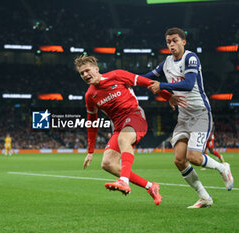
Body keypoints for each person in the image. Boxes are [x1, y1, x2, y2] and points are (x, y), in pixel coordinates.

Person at [74, 54, 186, 205]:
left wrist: (168, 96)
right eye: (81, 73)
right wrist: (90, 151)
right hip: (119, 126)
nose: (85, 75)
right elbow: (91, 122)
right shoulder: (90, 95)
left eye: (87, 70)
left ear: (96, 68)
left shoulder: (117, 75)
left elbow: (147, 82)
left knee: (123, 138)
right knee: (107, 164)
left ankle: (123, 181)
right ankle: (151, 186)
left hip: (135, 116)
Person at [147, 27, 234, 208]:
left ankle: (222, 168)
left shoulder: (190, 58)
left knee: (194, 156)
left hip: (200, 112)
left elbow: (188, 84)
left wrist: (161, 85)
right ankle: (204, 197)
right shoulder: (166, 62)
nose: (171, 44)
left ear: (183, 42)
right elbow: (148, 78)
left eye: (175, 40)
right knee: (179, 159)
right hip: (184, 116)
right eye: (168, 41)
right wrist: (124, 80)